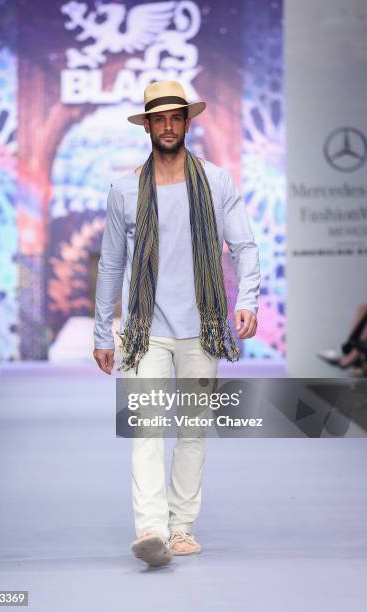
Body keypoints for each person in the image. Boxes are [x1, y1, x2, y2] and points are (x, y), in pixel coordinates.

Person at [93, 80, 260, 566]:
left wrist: (245, 299)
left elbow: (243, 246)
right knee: (145, 429)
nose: (168, 126)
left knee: (191, 430)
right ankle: (151, 528)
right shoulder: (124, 189)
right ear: (146, 125)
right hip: (145, 330)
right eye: (158, 118)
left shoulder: (216, 181)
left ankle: (181, 526)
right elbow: (110, 265)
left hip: (202, 326)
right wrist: (104, 331)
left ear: (187, 122)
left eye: (176, 117)